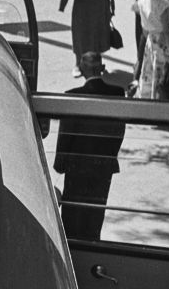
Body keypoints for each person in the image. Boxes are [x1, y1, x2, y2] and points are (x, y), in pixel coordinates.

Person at [52, 51, 126, 241]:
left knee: (73, 215)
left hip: (77, 166)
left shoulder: (73, 96)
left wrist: (60, 163)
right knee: (95, 213)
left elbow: (65, 135)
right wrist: (110, 155)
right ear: (102, 68)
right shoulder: (117, 93)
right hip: (103, 166)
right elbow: (119, 131)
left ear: (82, 70)